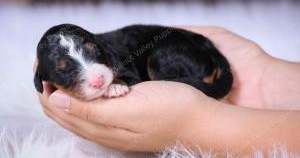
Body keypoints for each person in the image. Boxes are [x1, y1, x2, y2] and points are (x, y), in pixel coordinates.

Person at [36, 26, 300, 156]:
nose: (95, 77)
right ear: (43, 80)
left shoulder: (111, 56)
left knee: (160, 61)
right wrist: (265, 76)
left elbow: (126, 73)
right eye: (66, 70)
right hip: (186, 52)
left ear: (100, 49)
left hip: (178, 49)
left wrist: (195, 122)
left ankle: (205, 85)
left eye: (94, 56)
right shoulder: (86, 67)